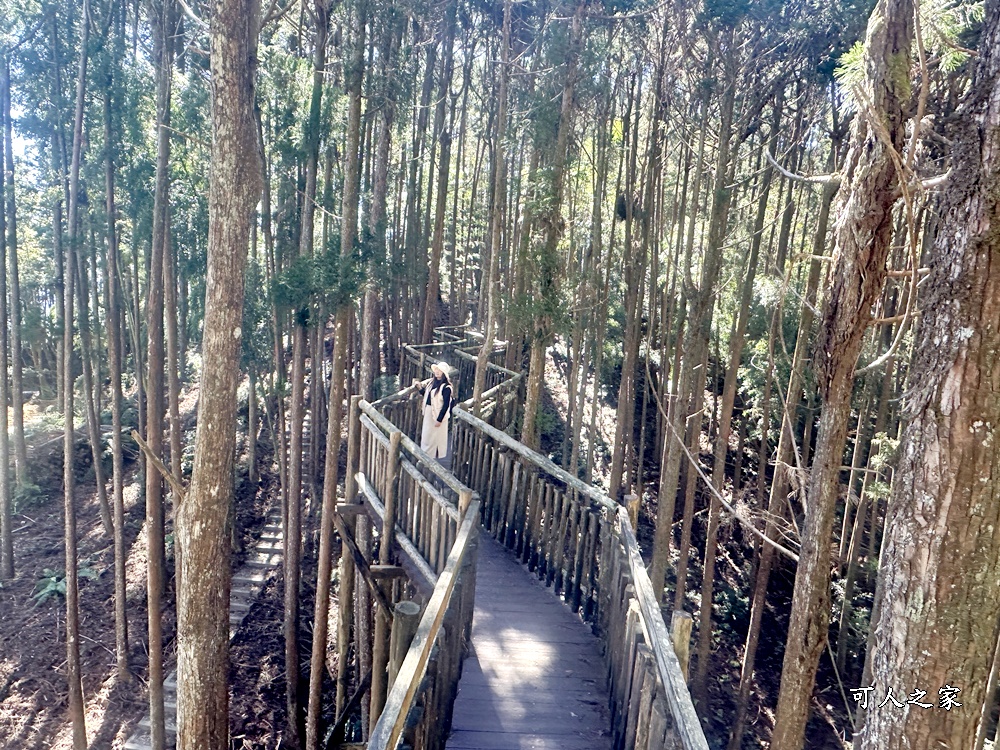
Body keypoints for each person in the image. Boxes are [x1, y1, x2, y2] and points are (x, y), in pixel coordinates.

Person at [415, 362, 453, 462]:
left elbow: (446, 405)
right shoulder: (431, 383)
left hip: (438, 414)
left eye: (440, 371)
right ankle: (425, 455)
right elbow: (429, 397)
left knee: (436, 437)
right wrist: (420, 389)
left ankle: (431, 458)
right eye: (436, 370)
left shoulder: (446, 388)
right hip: (429, 411)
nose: (437, 372)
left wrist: (439, 419)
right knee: (427, 434)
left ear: (444, 373)